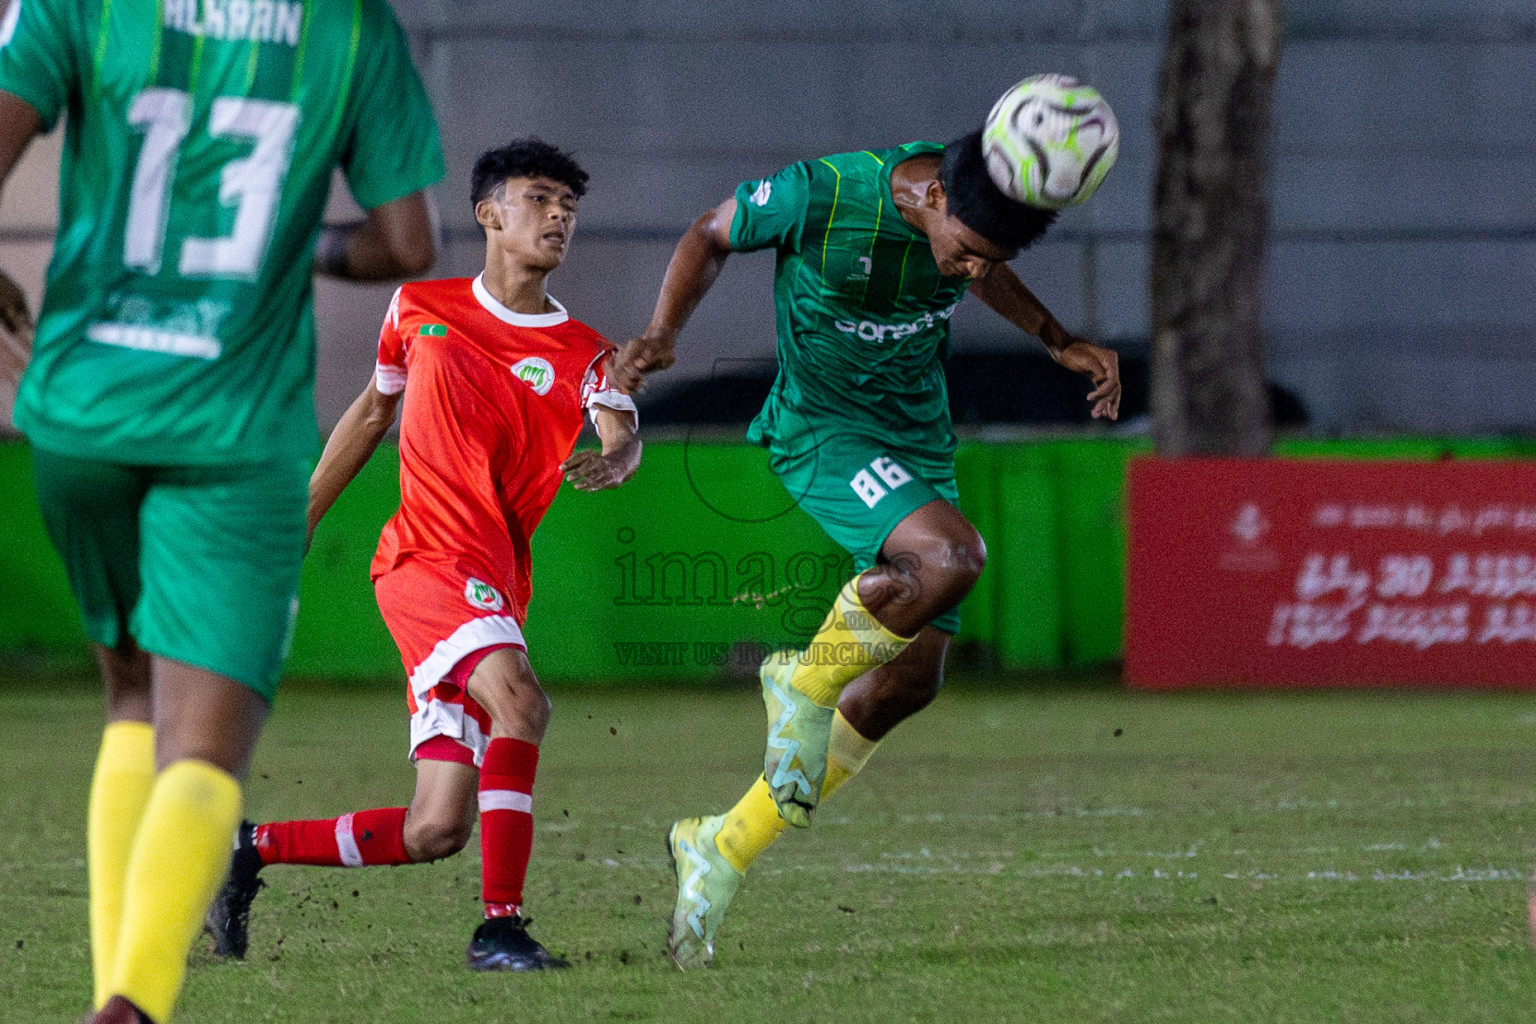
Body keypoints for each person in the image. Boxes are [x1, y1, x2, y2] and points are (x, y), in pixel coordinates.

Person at [0, 0, 445, 1018]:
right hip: (232, 431)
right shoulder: (353, 31)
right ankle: (131, 1007)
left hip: (81, 416)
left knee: (127, 697)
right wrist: (304, 250)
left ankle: (116, 988)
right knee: (200, 749)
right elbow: (406, 241)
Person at [610, 128, 1122, 968]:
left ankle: (720, 846)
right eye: (964, 252)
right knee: (949, 560)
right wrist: (665, 332)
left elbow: (987, 267)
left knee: (908, 684)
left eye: (981, 262)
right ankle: (800, 681)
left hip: (915, 441)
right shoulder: (829, 193)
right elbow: (709, 230)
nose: (965, 272)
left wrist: (1054, 336)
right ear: (937, 201)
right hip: (823, 429)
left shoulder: (965, 225)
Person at [203, 138, 642, 972]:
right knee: (522, 702)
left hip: (498, 581)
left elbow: (621, 429)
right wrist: (298, 519)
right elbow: (371, 414)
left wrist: (618, 456)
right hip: (426, 562)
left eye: (570, 207)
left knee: (434, 828)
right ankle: (500, 929)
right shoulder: (416, 306)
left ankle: (245, 848)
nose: (559, 216)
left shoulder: (586, 350)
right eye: (541, 199)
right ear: (490, 213)